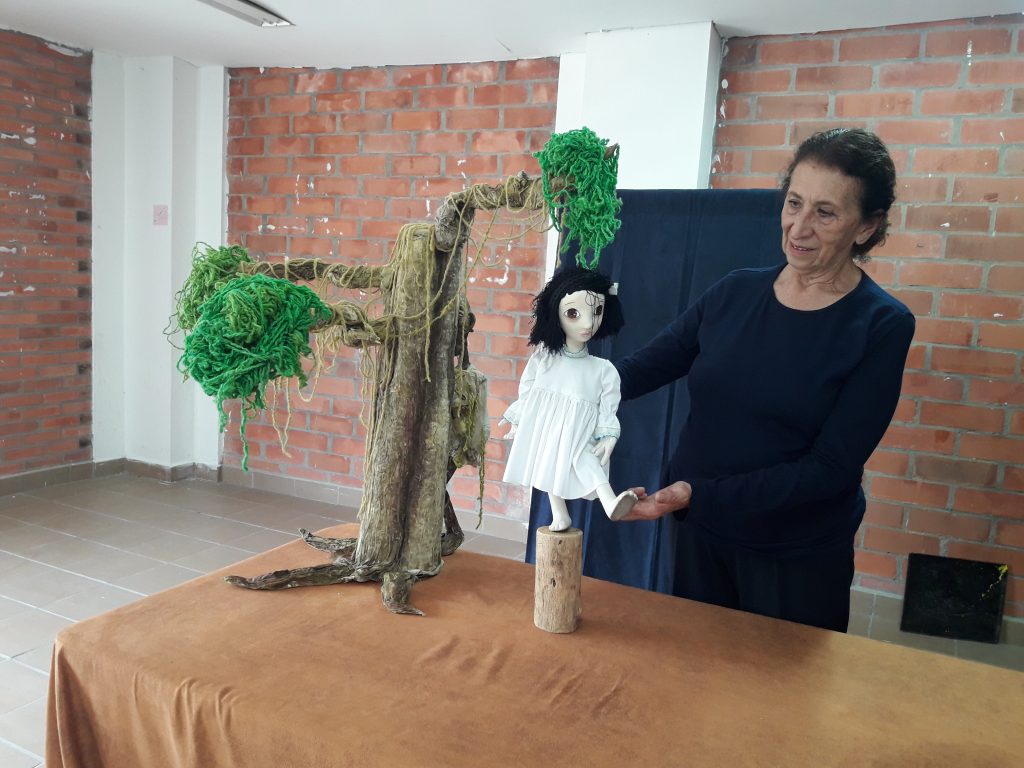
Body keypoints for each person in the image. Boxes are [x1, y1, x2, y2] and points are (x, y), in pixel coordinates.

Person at [616, 128, 915, 632]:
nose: (799, 227)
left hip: (794, 554)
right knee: (699, 665)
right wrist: (570, 377)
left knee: (785, 680)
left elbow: (830, 469)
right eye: (794, 203)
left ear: (866, 227)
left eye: (825, 213)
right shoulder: (735, 292)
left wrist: (696, 494)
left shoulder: (881, 325)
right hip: (702, 532)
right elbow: (642, 368)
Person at [502, 266, 638, 532]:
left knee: (587, 459)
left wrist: (609, 435)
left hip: (580, 433)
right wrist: (519, 420)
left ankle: (610, 502)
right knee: (549, 466)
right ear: (556, 314)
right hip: (548, 429)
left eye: (596, 312)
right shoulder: (545, 359)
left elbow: (608, 408)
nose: (587, 324)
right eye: (574, 313)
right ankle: (560, 514)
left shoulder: (602, 370)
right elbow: (527, 389)